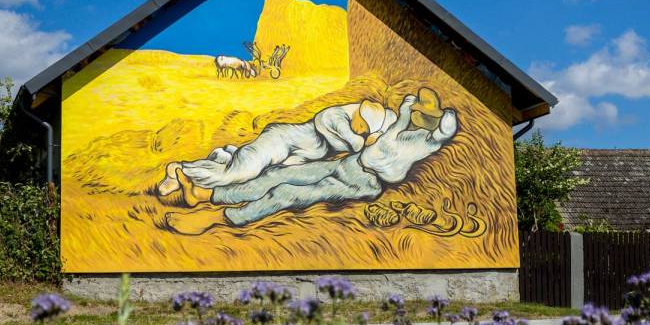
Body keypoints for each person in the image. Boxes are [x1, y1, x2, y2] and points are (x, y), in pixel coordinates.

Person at [162, 90, 457, 235]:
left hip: (364, 182)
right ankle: (206, 195)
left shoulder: (424, 142)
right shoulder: (400, 123)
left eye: (423, 116)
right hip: (350, 163)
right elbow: (398, 114)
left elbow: (443, 134)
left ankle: (217, 219)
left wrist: (445, 121)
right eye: (418, 113)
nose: (417, 118)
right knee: (277, 175)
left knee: (288, 193)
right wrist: (408, 107)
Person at [156, 99, 395, 197]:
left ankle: (224, 156)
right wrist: (369, 139)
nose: (361, 131)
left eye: (365, 130)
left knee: (251, 171)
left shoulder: (353, 124)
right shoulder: (335, 116)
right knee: (239, 174)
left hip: (289, 153)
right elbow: (355, 144)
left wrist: (375, 134)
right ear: (359, 114)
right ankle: (179, 170)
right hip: (280, 141)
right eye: (362, 126)